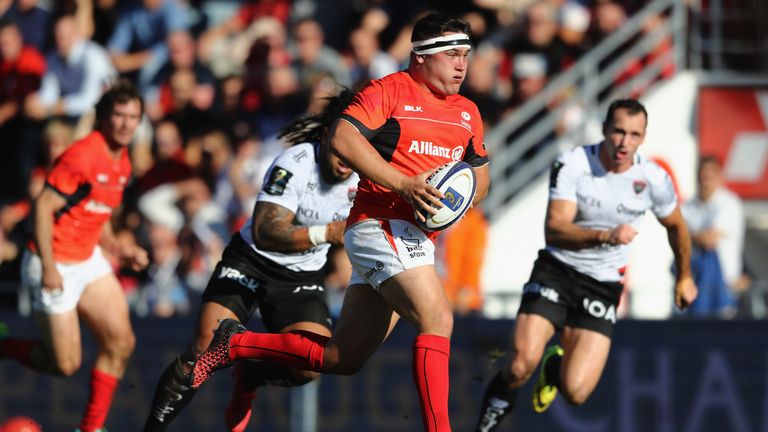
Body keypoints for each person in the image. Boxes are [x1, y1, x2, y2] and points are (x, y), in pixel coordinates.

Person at [184, 12, 490, 432]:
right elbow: (342, 137)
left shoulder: (467, 112)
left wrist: (460, 198)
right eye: (452, 54)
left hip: (414, 235)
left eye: (466, 55)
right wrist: (403, 184)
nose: (462, 64)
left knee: (341, 359)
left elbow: (481, 173)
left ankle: (235, 343)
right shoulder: (390, 90)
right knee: (439, 319)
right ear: (420, 56)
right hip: (378, 223)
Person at [142, 89, 360, 432]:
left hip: (299, 276)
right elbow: (263, 231)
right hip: (251, 261)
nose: (350, 152)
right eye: (344, 139)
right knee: (202, 348)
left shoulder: (369, 177)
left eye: (360, 141)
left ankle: (250, 373)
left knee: (311, 366)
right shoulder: (295, 162)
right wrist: (325, 233)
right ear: (326, 133)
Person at [474, 99, 697, 431]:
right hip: (557, 271)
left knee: (576, 392)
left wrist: (684, 276)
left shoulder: (653, 179)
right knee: (521, 365)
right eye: (618, 131)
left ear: (643, 138)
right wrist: (607, 235)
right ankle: (491, 417)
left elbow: (677, 226)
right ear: (605, 129)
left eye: (634, 135)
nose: (624, 142)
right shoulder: (574, 163)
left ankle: (554, 367)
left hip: (602, 285)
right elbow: (555, 230)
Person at [0, 80, 149, 432]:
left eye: (134, 116)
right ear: (103, 117)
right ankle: (3, 344)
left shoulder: (123, 160)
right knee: (64, 365)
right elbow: (42, 207)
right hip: (52, 263)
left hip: (87, 258)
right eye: (119, 115)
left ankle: (91, 428)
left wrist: (121, 249)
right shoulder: (83, 154)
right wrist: (49, 267)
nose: (127, 123)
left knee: (122, 342)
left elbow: (100, 217)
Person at [681, 155, 745, 317]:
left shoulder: (729, 203)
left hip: (725, 292)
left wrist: (690, 235)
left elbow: (708, 241)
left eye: (711, 175)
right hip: (690, 290)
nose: (706, 180)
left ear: (720, 177)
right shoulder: (688, 207)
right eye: (703, 175)